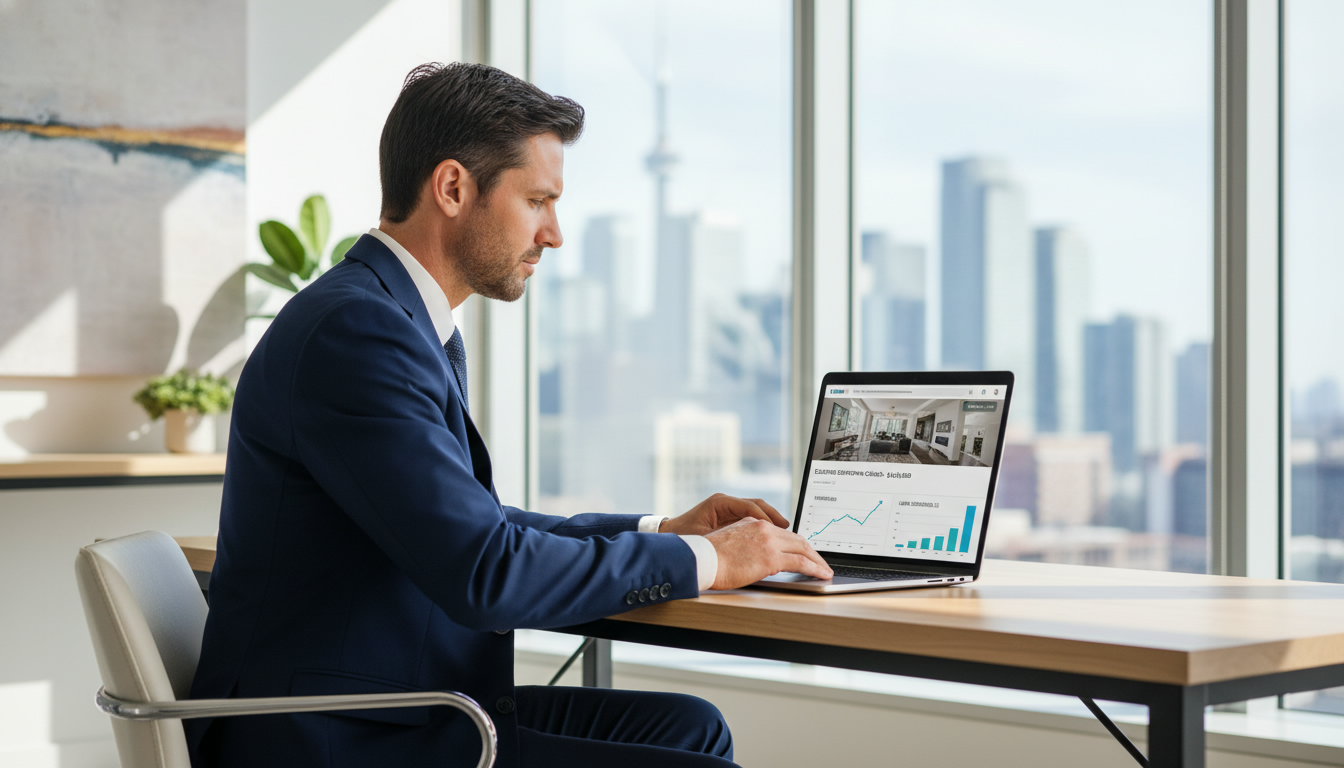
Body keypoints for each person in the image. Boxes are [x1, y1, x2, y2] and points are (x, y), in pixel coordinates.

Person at [186, 62, 832, 768]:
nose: (554, 234)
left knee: (691, 727)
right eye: (538, 201)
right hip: (335, 737)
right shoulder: (357, 333)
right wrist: (709, 559)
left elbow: (478, 531)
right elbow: (485, 570)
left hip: (399, 706)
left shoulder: (395, 322)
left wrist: (665, 530)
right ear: (455, 187)